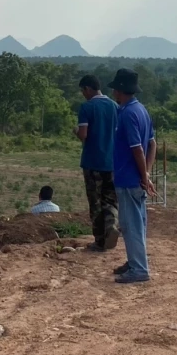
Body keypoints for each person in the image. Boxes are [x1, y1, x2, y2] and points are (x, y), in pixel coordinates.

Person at [108, 68, 156, 284]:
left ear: (119, 90)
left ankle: (139, 269)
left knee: (131, 225)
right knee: (137, 223)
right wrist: (146, 172)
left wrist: (142, 175)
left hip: (128, 179)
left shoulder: (127, 114)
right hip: (136, 177)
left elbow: (137, 148)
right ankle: (134, 261)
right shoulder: (141, 110)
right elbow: (152, 144)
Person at [75, 74, 119, 251]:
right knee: (111, 200)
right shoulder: (115, 106)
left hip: (93, 162)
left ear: (87, 89)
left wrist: (75, 131)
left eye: (83, 91)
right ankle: (112, 225)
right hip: (113, 162)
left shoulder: (87, 107)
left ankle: (100, 240)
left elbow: (83, 135)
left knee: (95, 202)